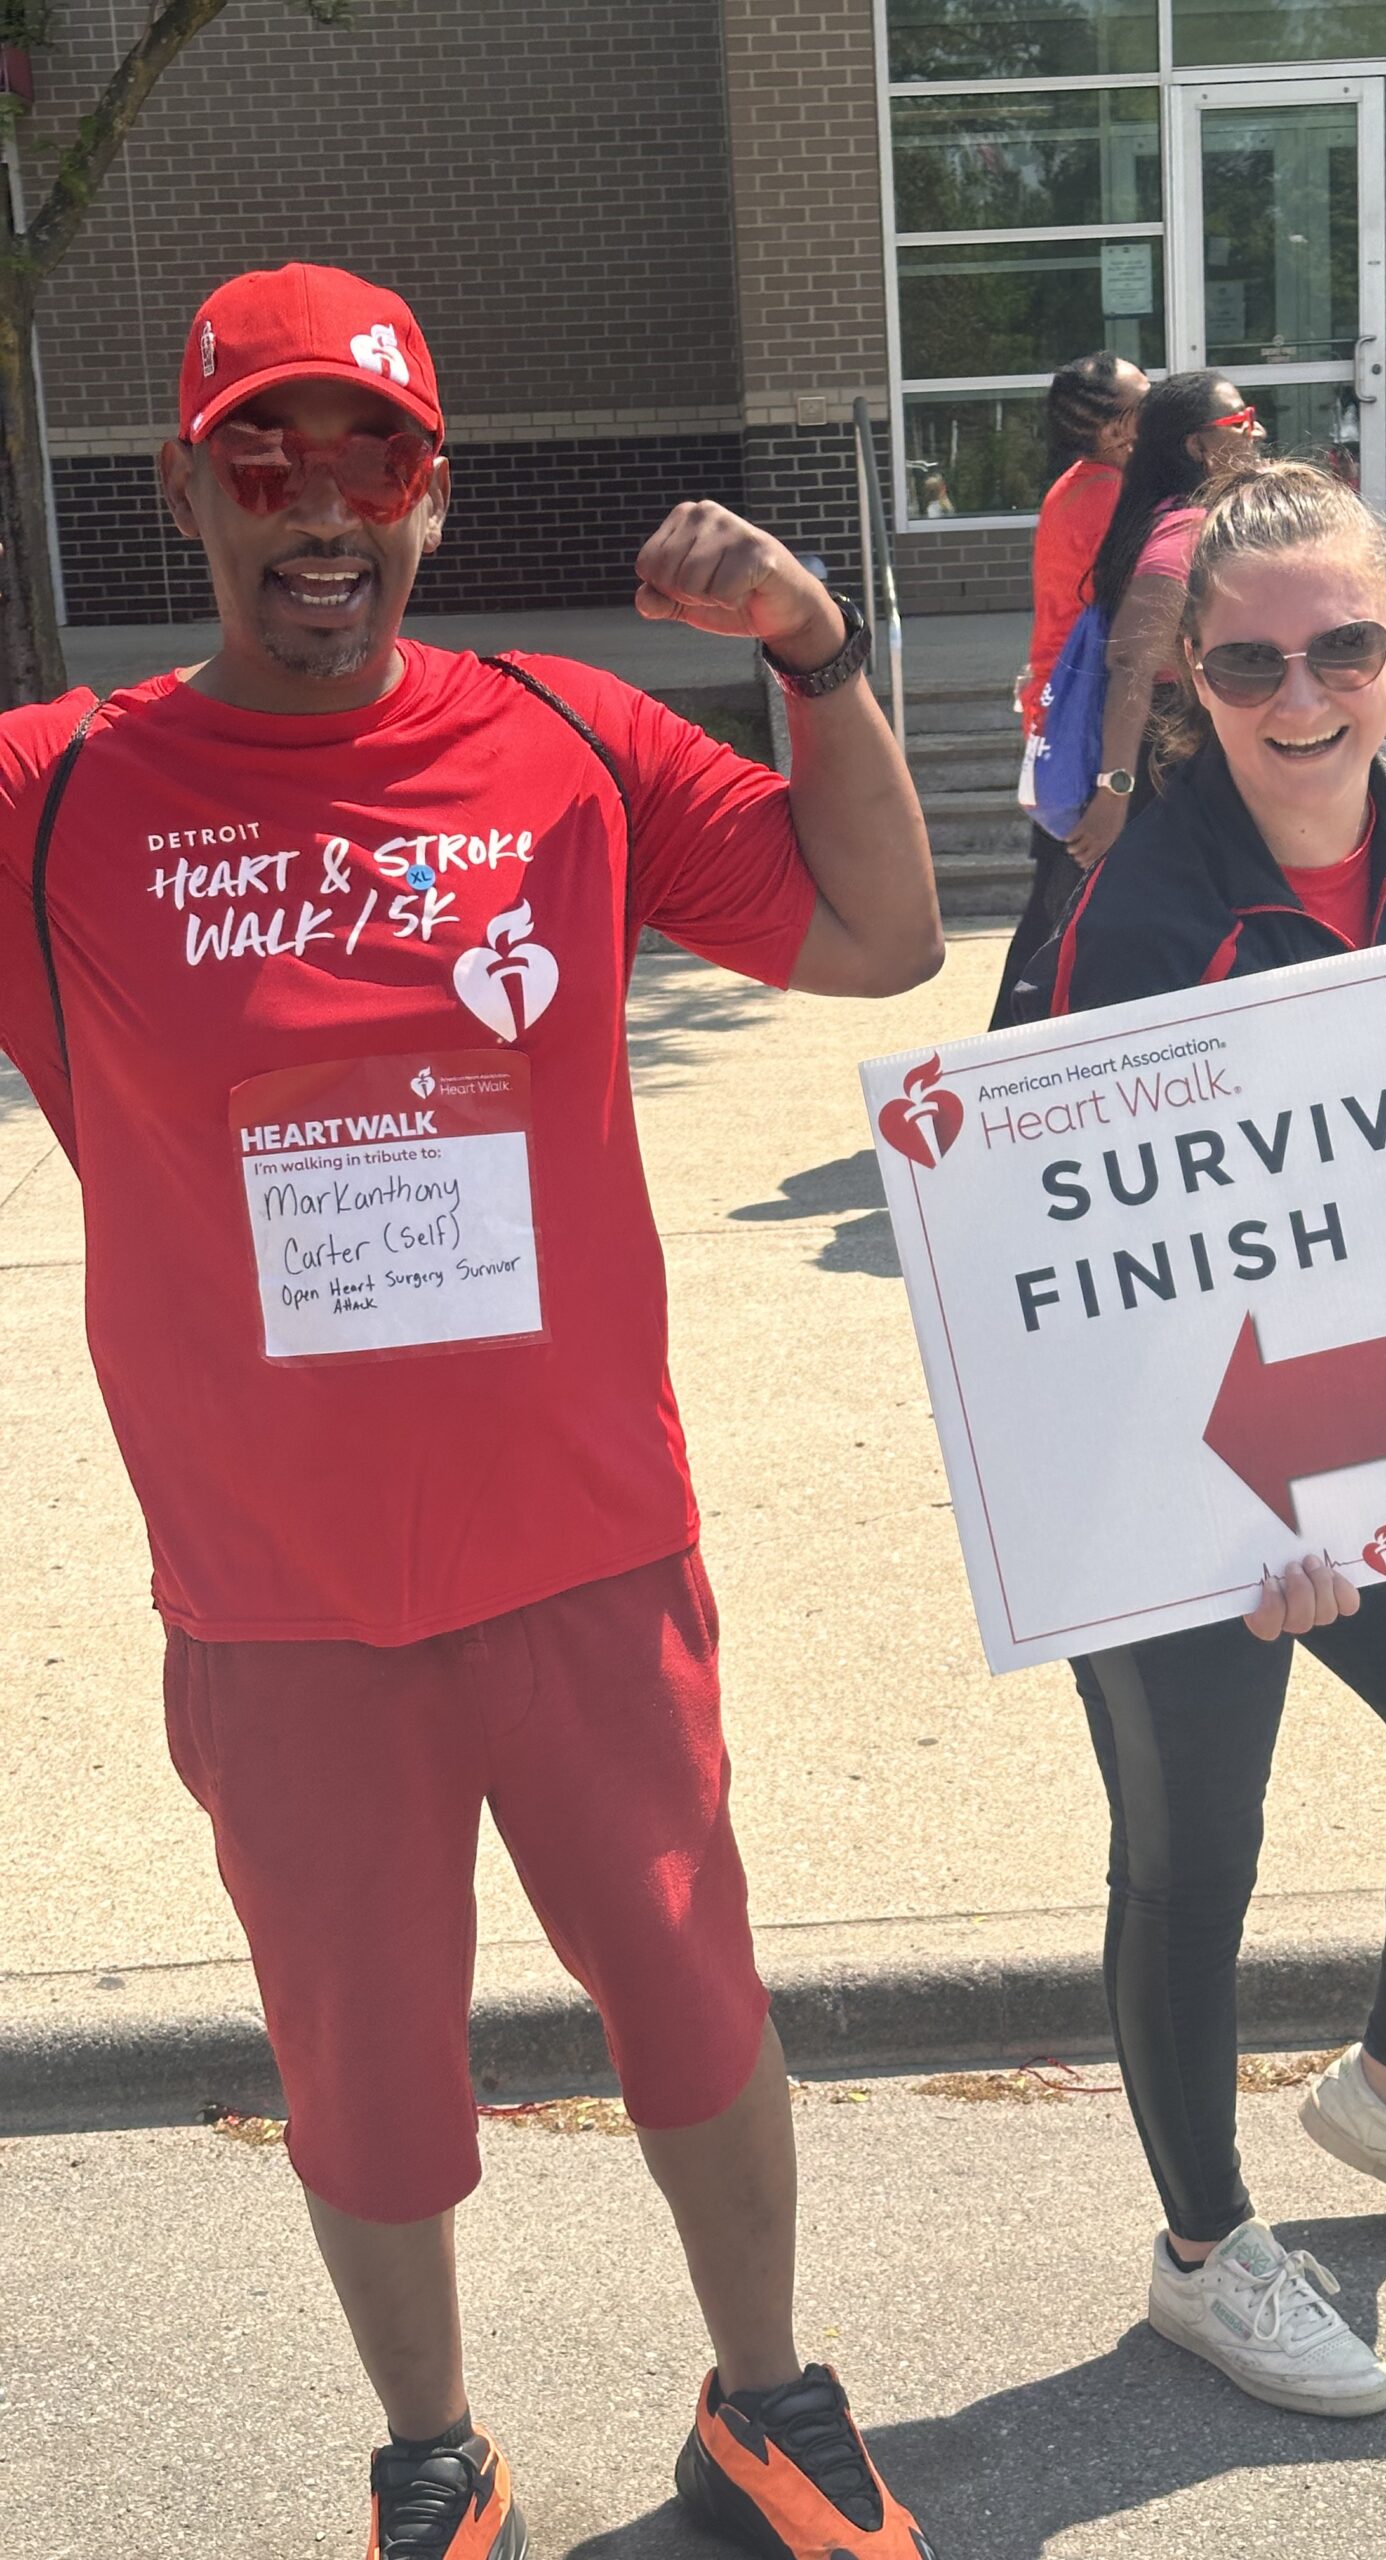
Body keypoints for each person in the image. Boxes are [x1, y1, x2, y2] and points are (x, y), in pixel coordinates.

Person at [0, 264, 943, 2560]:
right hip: (278, 1601)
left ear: (432, 493)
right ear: (183, 492)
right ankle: (436, 2452)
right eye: (265, 454)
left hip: (587, 1552)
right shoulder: (52, 796)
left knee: (690, 1996)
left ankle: (763, 2395)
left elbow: (882, 933)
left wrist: (813, 658)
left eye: (370, 458)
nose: (318, 505)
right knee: (363, 2061)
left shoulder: (562, 734)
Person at [1019, 457, 1386, 2420]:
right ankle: (1201, 2254)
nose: (1302, 692)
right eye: (1250, 662)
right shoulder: (1134, 915)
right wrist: (1245, 1498)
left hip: (1368, 1414)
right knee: (1198, 1852)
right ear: (1193, 680)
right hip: (1161, 1447)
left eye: (1342, 643)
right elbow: (1078, 1273)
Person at [989, 350, 1148, 1028]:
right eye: (1148, 401)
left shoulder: (1078, 488)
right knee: (1058, 918)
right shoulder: (1110, 498)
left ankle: (1010, 1060)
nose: (1161, 412)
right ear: (1115, 431)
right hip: (1086, 729)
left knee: (1061, 912)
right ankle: (1004, 1065)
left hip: (1066, 718)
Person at [1060, 370, 1265, 877]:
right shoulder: (1187, 529)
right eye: (1240, 421)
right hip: (1170, 756)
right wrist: (1115, 794)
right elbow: (1130, 660)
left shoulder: (1163, 513)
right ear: (1197, 445)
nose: (1256, 432)